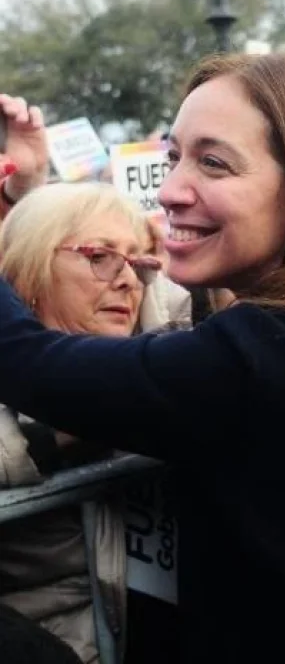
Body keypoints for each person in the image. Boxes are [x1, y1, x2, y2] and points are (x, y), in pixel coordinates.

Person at [0, 52, 285, 662]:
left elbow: (26, 361)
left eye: (213, 163)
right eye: (174, 157)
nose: (168, 191)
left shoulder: (269, 356)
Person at [0, 181, 161, 663]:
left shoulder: (159, 357)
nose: (128, 281)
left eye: (138, 262)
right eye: (99, 256)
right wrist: (52, 433)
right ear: (28, 276)